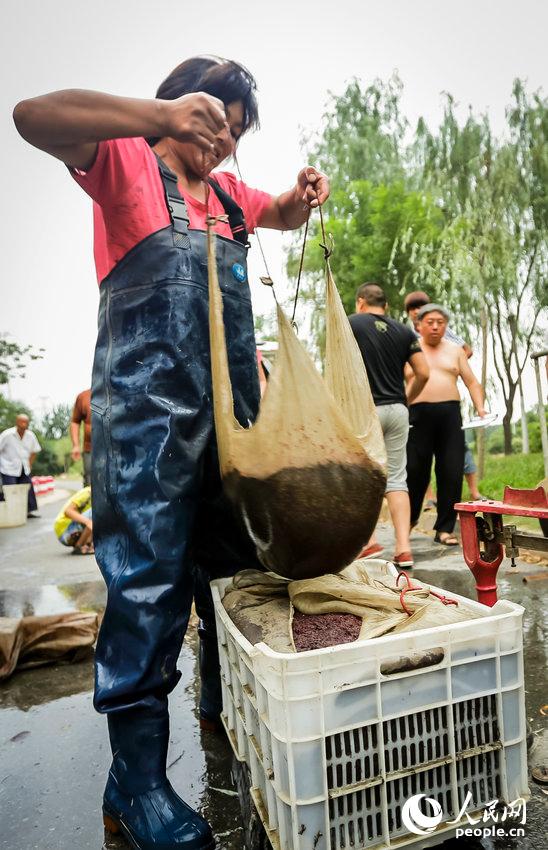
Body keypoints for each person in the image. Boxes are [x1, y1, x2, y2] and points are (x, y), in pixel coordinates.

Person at [14, 56, 329, 850]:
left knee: (235, 577)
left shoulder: (229, 199)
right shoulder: (124, 157)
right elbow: (31, 114)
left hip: (231, 425)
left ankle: (233, 714)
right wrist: (153, 118)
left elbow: (283, 213)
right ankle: (138, 781)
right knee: (147, 591)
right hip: (146, 422)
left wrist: (298, 196)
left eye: (237, 133)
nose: (224, 143)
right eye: (218, 122)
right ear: (185, 105)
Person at [349, 283, 430, 569]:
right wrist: (406, 399)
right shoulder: (404, 330)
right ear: (385, 305)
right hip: (397, 409)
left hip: (364, 410)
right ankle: (404, 549)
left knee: (365, 478)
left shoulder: (351, 324)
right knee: (396, 479)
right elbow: (423, 372)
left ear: (361, 302)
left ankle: (369, 542)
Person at [406, 304, 486, 545]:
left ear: (446, 326)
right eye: (430, 322)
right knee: (415, 472)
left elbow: (472, 382)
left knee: (451, 471)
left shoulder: (455, 350)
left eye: (440, 322)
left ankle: (444, 529)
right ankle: (407, 525)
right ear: (419, 325)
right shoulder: (409, 349)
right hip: (417, 416)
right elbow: (398, 382)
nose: (435, 326)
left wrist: (480, 407)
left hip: (450, 415)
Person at [0, 414, 41, 517]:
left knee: (26, 489)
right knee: (10, 490)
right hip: (8, 467)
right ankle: (10, 512)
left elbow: (34, 450)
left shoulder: (30, 435)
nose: (23, 424)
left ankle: (27, 511)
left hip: (24, 467)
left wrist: (30, 464)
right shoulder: (7, 435)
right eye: (21, 422)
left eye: (25, 422)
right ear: (17, 422)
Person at [54, 485, 93, 554]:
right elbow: (68, 511)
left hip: (74, 531)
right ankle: (79, 546)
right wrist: (88, 522)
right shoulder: (88, 493)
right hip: (65, 531)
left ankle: (87, 545)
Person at [70, 388, 92, 486]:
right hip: (90, 450)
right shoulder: (84, 396)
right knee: (90, 483)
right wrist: (75, 445)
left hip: (116, 449)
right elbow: (75, 422)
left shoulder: (119, 392)